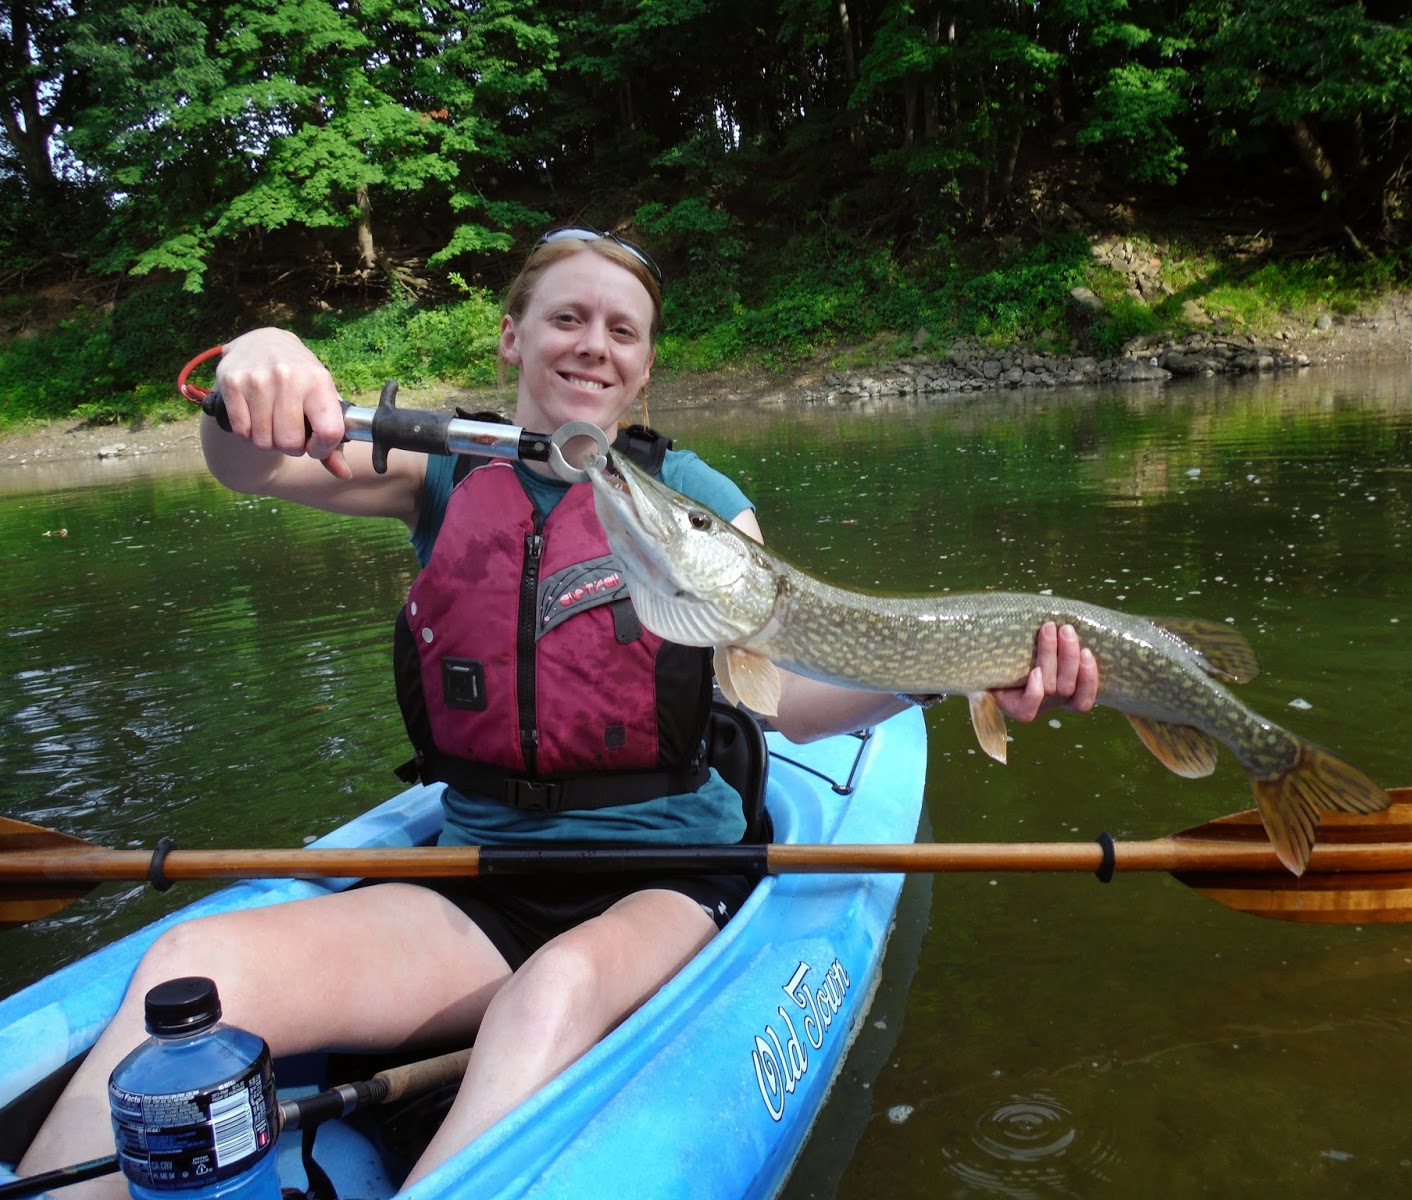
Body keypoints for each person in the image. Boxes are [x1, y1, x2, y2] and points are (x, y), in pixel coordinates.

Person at [18, 228, 1100, 1194]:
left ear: (644, 363)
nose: (593, 344)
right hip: (484, 873)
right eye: (567, 318)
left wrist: (953, 670)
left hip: (664, 875)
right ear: (512, 339)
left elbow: (793, 707)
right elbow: (246, 465)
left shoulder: (704, 508)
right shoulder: (440, 469)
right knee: (190, 969)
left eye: (621, 329)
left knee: (555, 991)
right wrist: (259, 362)